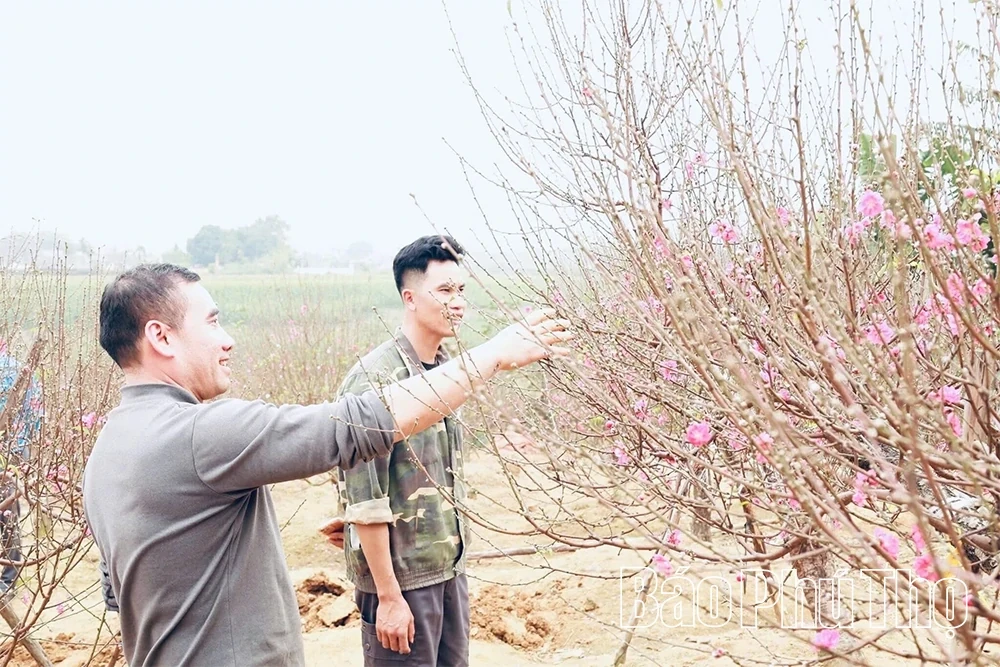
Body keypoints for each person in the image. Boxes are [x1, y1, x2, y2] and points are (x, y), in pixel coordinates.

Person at [82, 263, 571, 667]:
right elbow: (361, 425)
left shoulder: (108, 450)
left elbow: (133, 584)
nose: (227, 339)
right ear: (160, 337)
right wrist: (492, 356)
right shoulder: (199, 432)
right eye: (212, 322)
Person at [332, 235, 478, 666]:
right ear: (410, 297)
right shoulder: (375, 381)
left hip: (448, 570)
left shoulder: (449, 372)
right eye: (445, 291)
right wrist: (390, 598)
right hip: (403, 583)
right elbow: (366, 500)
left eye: (462, 291)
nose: (458, 303)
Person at [0, 338, 43, 598]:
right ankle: (7, 579)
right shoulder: (20, 370)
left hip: (10, 447)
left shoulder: (12, 370)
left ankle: (6, 580)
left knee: (6, 513)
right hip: (17, 448)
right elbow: (37, 415)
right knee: (7, 514)